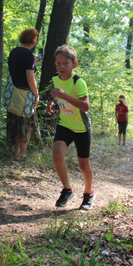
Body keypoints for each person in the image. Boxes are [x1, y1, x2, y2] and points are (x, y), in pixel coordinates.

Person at [46, 45, 95, 210]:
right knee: (57, 155)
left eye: (65, 63)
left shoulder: (78, 82)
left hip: (81, 128)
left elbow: (85, 106)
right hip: (65, 124)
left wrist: (64, 96)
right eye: (58, 63)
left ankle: (88, 194)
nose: (61, 67)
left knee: (83, 165)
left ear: (74, 64)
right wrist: (51, 102)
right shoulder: (56, 78)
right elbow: (55, 93)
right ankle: (67, 190)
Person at [6, 28, 40, 161]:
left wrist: (33, 63)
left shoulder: (13, 52)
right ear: (33, 40)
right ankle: (22, 155)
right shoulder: (29, 54)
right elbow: (30, 78)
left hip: (12, 94)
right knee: (26, 126)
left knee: (15, 124)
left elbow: (17, 70)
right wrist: (36, 94)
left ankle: (15, 155)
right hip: (25, 95)